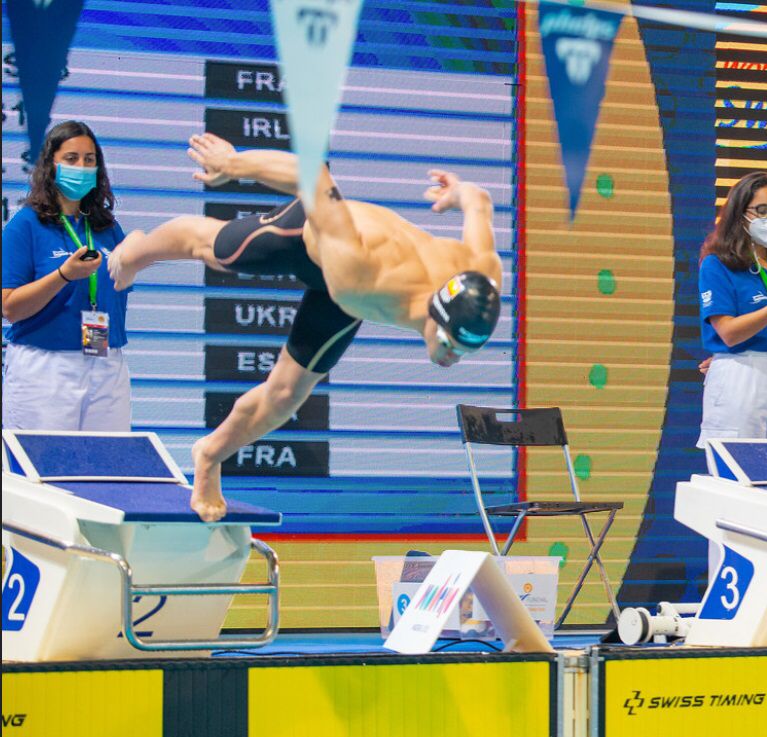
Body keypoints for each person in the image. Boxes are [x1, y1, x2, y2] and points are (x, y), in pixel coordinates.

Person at [108, 132, 502, 520]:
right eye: (450, 344)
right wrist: (232, 163)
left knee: (285, 396)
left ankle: (210, 454)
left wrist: (456, 192)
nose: (453, 358)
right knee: (211, 250)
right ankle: (136, 251)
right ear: (436, 312)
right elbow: (315, 178)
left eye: (466, 352)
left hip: (348, 297)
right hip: (313, 243)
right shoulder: (361, 272)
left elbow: (479, 201)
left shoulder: (484, 276)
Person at [2, 120, 131, 431]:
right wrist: (63, 275)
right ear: (51, 164)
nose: (82, 167)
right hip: (45, 368)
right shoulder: (26, 225)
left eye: (89, 160)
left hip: (105, 361)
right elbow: (9, 308)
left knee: (107, 469)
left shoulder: (107, 226)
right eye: (71, 159)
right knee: (42, 471)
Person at [697, 170, 767, 448]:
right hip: (740, 373)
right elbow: (729, 334)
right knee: (736, 477)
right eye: (763, 210)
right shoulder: (718, 264)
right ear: (739, 213)